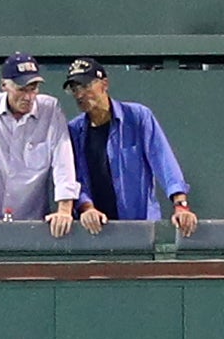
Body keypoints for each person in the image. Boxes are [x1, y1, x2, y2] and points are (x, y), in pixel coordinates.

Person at [62, 57, 197, 236]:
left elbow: (164, 161)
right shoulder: (74, 130)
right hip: (95, 231)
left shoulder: (138, 117)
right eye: (75, 88)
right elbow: (75, 177)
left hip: (141, 230)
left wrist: (181, 205)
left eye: (86, 86)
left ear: (104, 84)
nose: (79, 94)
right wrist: (87, 209)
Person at [0, 53, 78, 238]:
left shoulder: (50, 109)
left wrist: (65, 210)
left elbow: (63, 161)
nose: (29, 96)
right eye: (21, 89)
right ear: (4, 85)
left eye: (33, 88)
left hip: (34, 222)